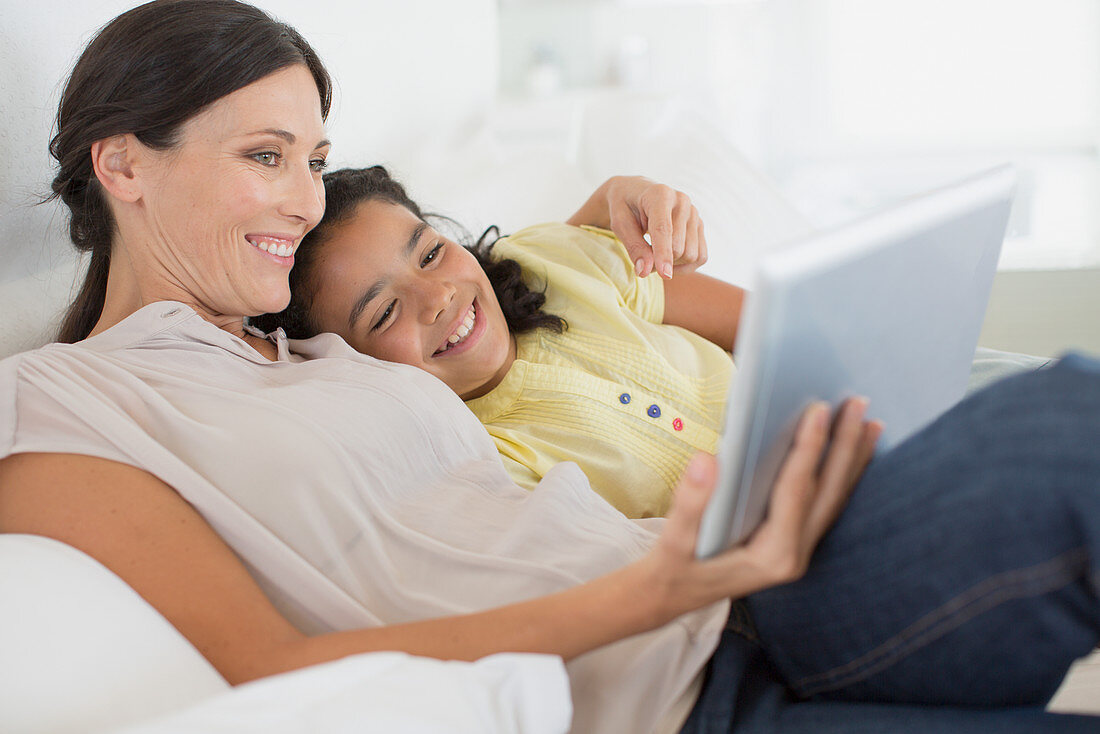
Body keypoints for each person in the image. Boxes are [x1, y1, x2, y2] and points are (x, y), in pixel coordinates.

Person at [0, 2, 1098, 733]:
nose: (301, 197)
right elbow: (271, 658)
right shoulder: (72, 405)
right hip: (667, 683)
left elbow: (461, 299)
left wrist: (584, 218)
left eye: (315, 159)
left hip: (749, 593)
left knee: (1068, 418)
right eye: (264, 157)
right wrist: (651, 589)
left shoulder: (297, 330)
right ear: (121, 165)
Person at [251, 165, 744, 517]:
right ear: (354, 367)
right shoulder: (485, 470)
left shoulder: (551, 263)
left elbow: (770, 325)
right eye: (384, 312)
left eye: (429, 254)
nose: (439, 296)